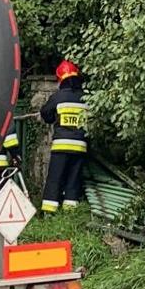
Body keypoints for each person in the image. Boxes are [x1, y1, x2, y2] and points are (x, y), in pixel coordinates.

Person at [39, 60, 88, 213]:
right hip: (80, 147)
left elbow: (46, 113)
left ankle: (49, 211)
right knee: (73, 180)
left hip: (61, 146)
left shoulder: (58, 97)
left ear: (61, 79)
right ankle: (69, 212)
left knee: (55, 179)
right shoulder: (85, 97)